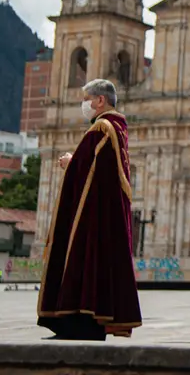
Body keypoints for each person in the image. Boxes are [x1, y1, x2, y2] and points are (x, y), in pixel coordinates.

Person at [37, 79, 142, 341]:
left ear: (100, 101)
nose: (84, 104)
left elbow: (88, 167)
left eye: (87, 99)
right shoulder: (118, 128)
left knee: (82, 264)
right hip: (102, 212)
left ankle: (77, 323)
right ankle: (87, 323)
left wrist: (70, 163)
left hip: (92, 217)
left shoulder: (102, 128)